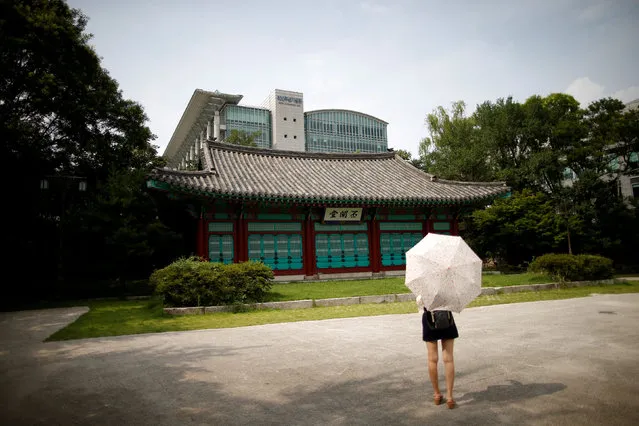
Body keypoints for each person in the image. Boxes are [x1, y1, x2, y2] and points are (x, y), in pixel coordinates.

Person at [417, 295, 458, 409]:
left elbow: (420, 302)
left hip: (429, 319)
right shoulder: (448, 284)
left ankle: (437, 394)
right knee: (448, 359)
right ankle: (449, 397)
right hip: (447, 318)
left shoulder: (424, 283)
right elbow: (453, 301)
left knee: (432, 359)